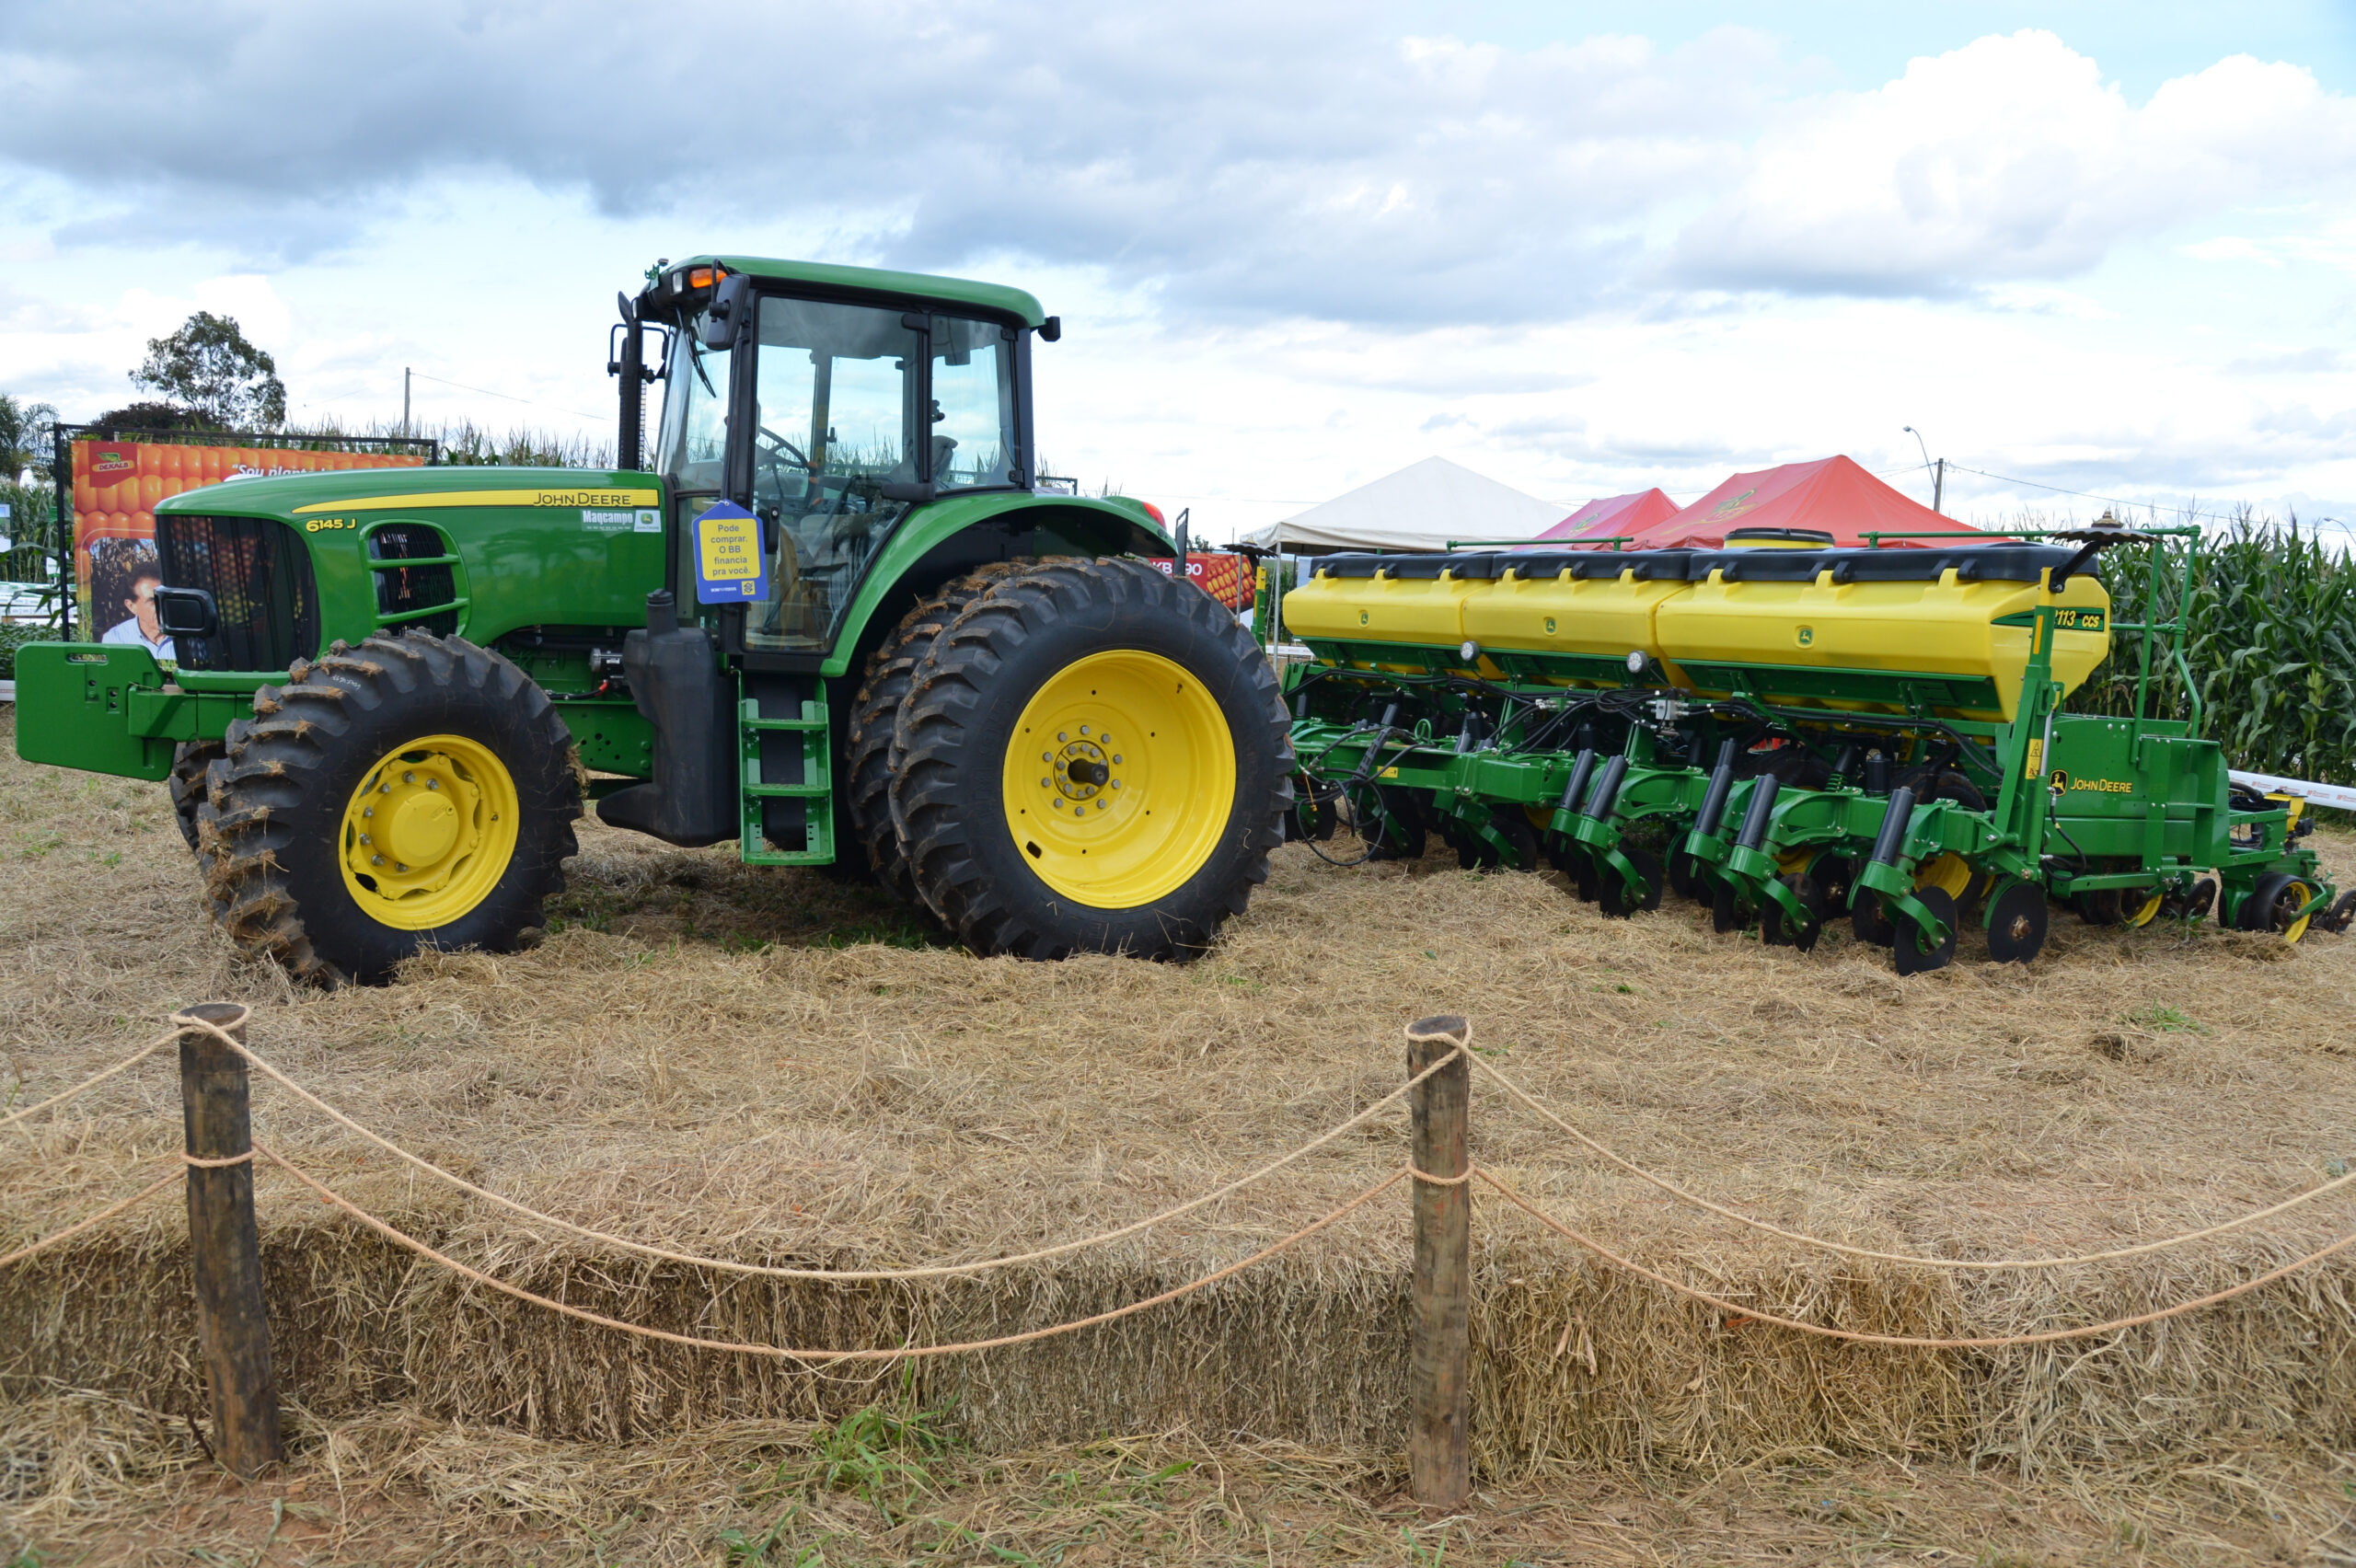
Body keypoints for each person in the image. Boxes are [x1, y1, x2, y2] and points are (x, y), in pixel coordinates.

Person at [100, 564, 175, 661]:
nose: (163, 606)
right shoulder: (116, 640)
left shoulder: (192, 638)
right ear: (131, 606)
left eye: (165, 598)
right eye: (152, 601)